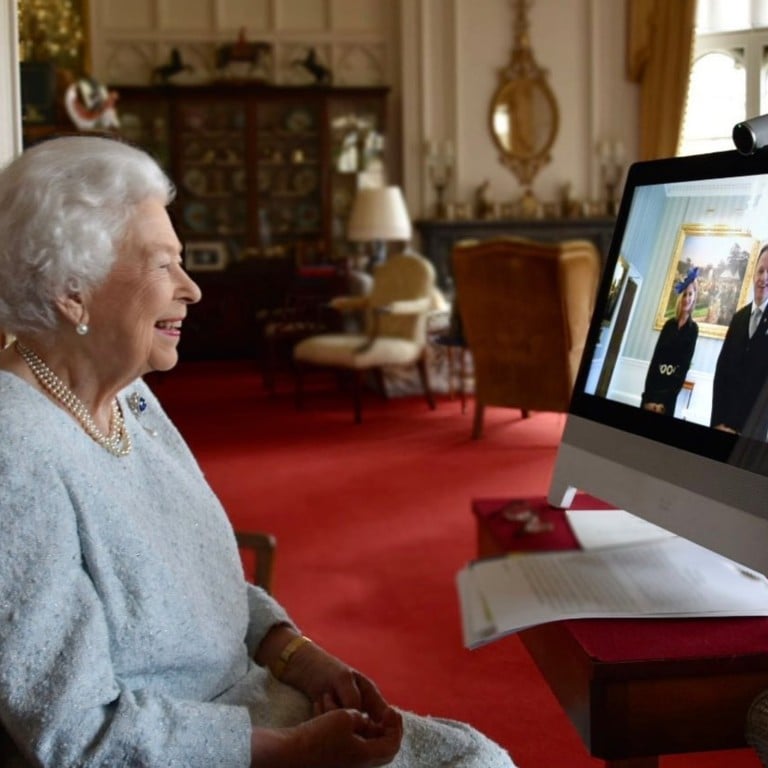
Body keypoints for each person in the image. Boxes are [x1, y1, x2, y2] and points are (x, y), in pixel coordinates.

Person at [0, 136, 515, 768]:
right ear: (71, 290)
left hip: (253, 704)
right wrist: (289, 751)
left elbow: (201, 580)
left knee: (473, 756)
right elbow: (75, 734)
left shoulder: (128, 396)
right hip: (188, 750)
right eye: (163, 265)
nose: (192, 289)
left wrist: (295, 652)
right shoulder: (14, 453)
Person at [712, 244, 768, 435]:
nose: (764, 278)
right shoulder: (738, 319)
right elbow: (721, 375)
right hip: (722, 426)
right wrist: (717, 423)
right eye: (761, 270)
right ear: (753, 274)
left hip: (750, 439)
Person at [641, 268, 699, 416]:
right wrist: (648, 397)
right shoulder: (668, 325)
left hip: (668, 397)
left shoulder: (693, 330)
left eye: (690, 294)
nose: (687, 298)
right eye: (684, 294)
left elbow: (683, 367)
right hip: (653, 388)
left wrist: (664, 402)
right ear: (680, 297)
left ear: (694, 297)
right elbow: (655, 360)